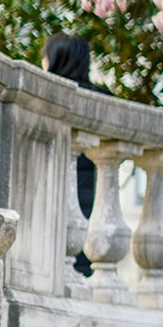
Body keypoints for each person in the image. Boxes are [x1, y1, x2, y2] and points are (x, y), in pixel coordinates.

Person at [41, 34, 100, 279]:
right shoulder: (101, 97)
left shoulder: (46, 96)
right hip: (93, 199)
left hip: (52, 193)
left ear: (54, 60)